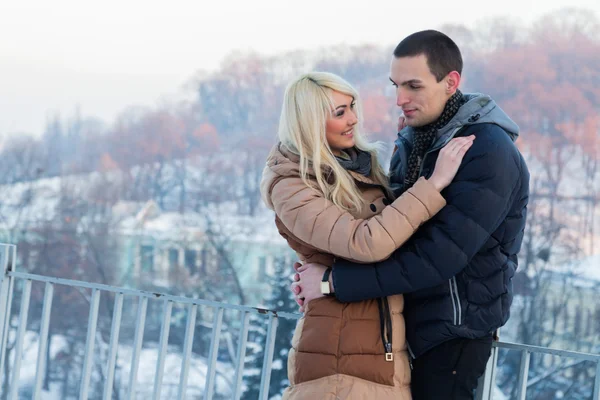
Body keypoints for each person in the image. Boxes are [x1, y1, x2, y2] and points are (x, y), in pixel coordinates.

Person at [292, 30, 530, 400]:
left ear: (451, 82)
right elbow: (395, 224)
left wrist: (334, 283)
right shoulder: (418, 138)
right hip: (404, 324)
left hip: (453, 334)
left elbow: (438, 256)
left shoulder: (487, 152)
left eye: (414, 86)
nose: (400, 99)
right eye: (396, 85)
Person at [260, 71, 474, 399]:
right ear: (310, 122)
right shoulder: (291, 185)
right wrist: (434, 184)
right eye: (340, 112)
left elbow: (394, 222)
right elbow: (367, 241)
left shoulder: (353, 165)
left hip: (378, 350)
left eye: (352, 107)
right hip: (338, 357)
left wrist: (409, 147)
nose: (354, 120)